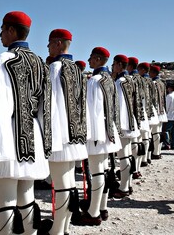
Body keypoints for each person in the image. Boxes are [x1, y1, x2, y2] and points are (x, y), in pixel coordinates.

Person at [0, 11, 51, 235]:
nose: (0, 34)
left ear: (12, 30)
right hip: (33, 134)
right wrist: (46, 142)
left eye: (3, 29)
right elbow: (47, 108)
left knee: (4, 199)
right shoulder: (40, 63)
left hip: (8, 133)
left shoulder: (4, 60)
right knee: (27, 195)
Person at [39, 29, 87, 235]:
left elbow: (49, 104)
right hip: (75, 136)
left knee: (60, 186)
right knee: (67, 184)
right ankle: (64, 226)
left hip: (59, 135)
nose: (48, 47)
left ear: (59, 44)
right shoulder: (77, 69)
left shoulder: (55, 68)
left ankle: (56, 230)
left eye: (50, 43)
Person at [71, 47, 120, 227]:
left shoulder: (95, 81)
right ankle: (102, 207)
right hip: (108, 131)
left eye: (91, 58)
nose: (89, 60)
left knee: (97, 171)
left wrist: (86, 133)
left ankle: (93, 213)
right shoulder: (109, 80)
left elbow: (90, 109)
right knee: (103, 169)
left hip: (96, 132)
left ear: (98, 59)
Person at [111, 54, 140, 199]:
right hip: (131, 121)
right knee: (127, 156)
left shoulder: (120, 82)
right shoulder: (131, 80)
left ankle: (123, 187)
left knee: (123, 157)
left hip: (123, 123)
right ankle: (127, 184)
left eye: (114, 64)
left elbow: (119, 106)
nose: (113, 66)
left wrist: (117, 125)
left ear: (119, 64)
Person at [149, 65, 167, 159]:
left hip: (155, 110)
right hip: (161, 110)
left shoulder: (153, 83)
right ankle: (158, 151)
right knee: (158, 133)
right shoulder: (162, 83)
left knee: (155, 133)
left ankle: (155, 152)